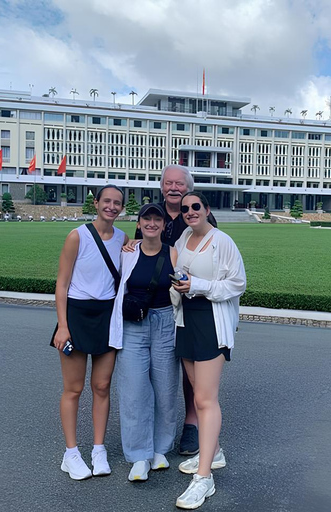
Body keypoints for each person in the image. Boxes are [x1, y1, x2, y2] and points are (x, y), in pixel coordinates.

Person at [127, 164, 217, 457]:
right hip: (157, 304)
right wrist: (131, 245)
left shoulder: (196, 211)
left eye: (180, 183)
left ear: (188, 187)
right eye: (169, 183)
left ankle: (192, 422)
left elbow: (214, 255)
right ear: (162, 186)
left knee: (191, 368)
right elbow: (138, 248)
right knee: (159, 371)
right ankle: (151, 433)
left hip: (192, 301)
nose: (174, 188)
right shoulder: (154, 214)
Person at [171, 191, 246, 510]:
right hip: (185, 321)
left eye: (195, 207)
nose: (190, 212)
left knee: (205, 398)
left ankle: (204, 478)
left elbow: (237, 283)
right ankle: (212, 452)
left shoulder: (222, 241)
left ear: (207, 209)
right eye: (185, 208)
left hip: (211, 322)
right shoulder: (183, 237)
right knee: (196, 392)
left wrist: (198, 286)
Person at [52, 185, 128, 481]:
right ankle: (71, 453)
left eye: (117, 203)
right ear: (96, 203)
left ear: (121, 208)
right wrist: (62, 325)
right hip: (76, 314)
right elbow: (62, 283)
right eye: (106, 201)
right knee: (74, 388)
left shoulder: (123, 239)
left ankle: (98, 449)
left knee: (102, 385)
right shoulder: (77, 236)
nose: (111, 206)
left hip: (107, 315)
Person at [114, 202, 180, 482]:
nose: (152, 223)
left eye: (157, 219)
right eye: (146, 219)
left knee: (165, 387)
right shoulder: (127, 253)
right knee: (134, 390)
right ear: (139, 223)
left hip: (165, 323)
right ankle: (139, 454)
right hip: (133, 326)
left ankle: (161, 448)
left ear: (164, 226)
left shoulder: (173, 253)